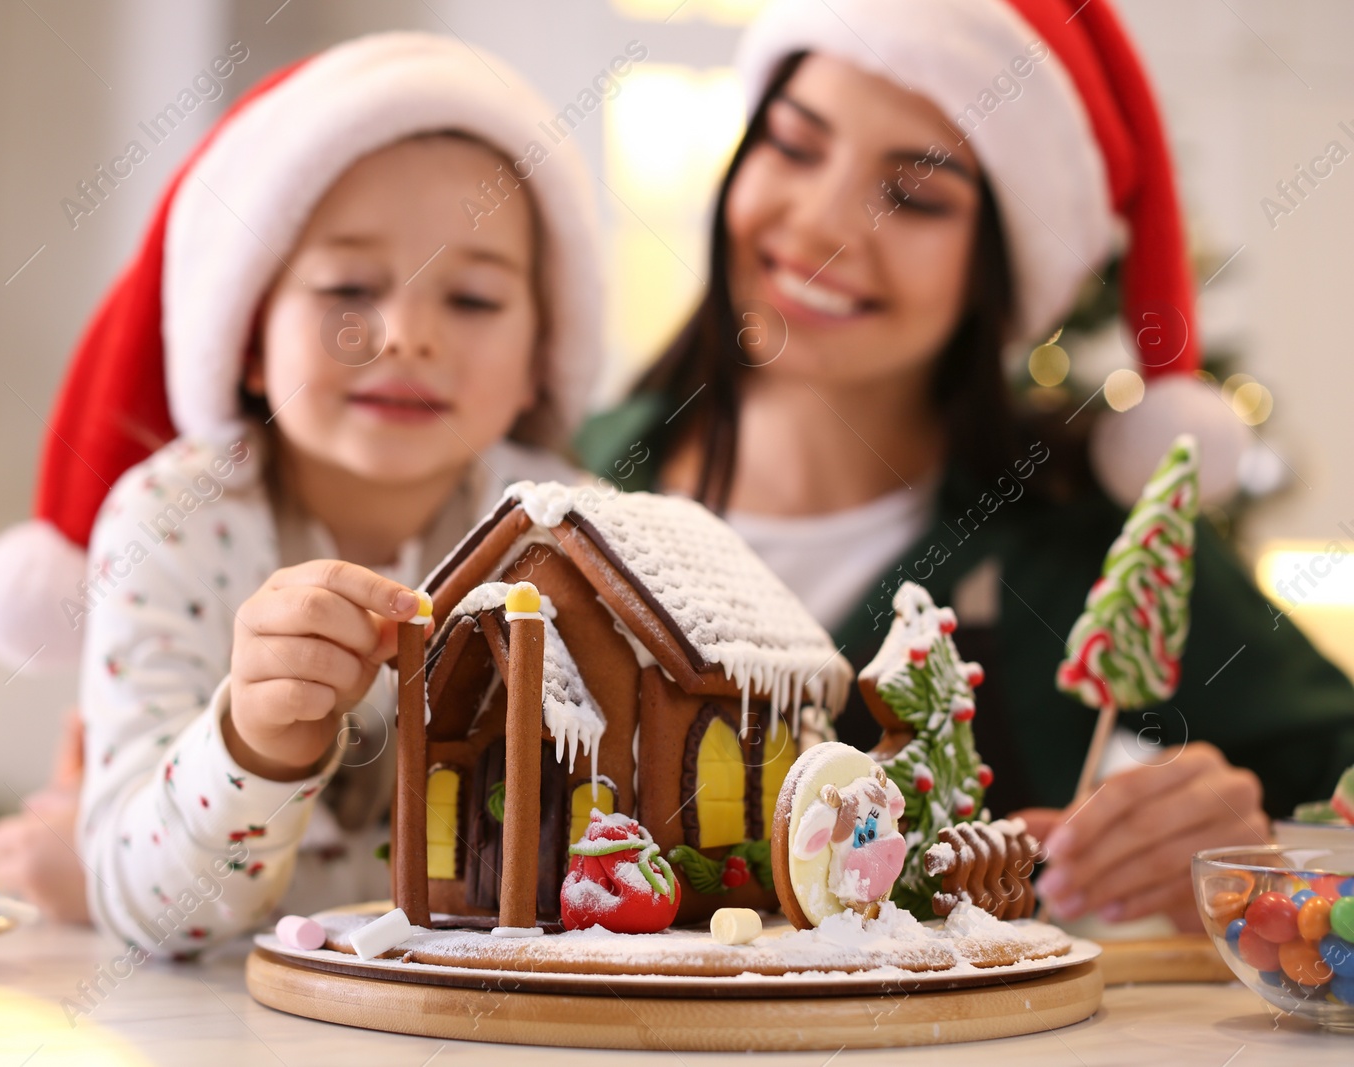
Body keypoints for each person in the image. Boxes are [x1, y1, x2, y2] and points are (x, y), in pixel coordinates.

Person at [579, 0, 1354, 931]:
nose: (826, 224)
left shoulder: (1082, 538)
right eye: (793, 144)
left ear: (997, 267)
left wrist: (1251, 844)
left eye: (915, 197)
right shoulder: (568, 484)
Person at [0, 32, 604, 947]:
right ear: (249, 336)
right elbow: (157, 914)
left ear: (542, 358)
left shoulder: (570, 542)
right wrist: (254, 744)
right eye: (347, 285)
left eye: (473, 299)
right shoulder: (171, 527)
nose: (406, 334)